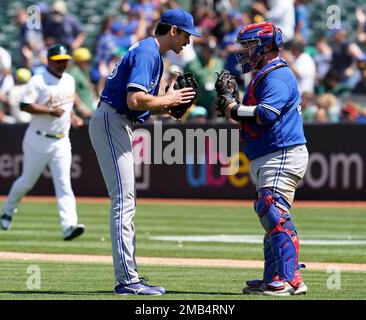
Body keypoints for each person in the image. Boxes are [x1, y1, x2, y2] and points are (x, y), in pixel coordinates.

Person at [88, 8, 200, 296]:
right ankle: (127, 280)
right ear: (173, 30)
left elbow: (140, 108)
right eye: (187, 34)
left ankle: (129, 275)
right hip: (111, 120)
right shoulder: (149, 53)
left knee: (125, 200)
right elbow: (134, 99)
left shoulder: (151, 52)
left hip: (117, 121)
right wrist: (167, 98)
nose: (189, 41)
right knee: (123, 202)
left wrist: (166, 103)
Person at [215, 21, 308, 296]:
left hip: (282, 151)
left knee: (272, 211)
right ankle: (273, 277)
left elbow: (267, 114)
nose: (244, 52)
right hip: (271, 153)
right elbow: (254, 115)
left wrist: (234, 107)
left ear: (266, 46)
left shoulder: (277, 75)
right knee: (270, 214)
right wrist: (235, 109)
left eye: (249, 46)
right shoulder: (265, 74)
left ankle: (291, 279)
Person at [0, 44, 85, 241]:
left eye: (65, 61)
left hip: (62, 140)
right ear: (49, 60)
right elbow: (25, 105)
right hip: (38, 138)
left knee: (64, 184)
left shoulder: (69, 80)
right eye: (58, 61)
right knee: (27, 182)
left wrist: (73, 117)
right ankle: (8, 210)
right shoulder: (38, 80)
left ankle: (68, 226)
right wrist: (48, 111)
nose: (62, 64)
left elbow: (66, 106)